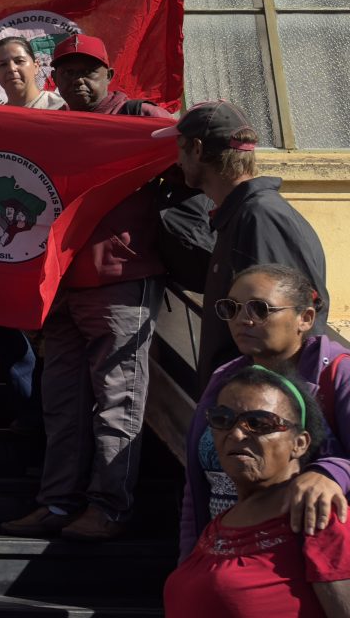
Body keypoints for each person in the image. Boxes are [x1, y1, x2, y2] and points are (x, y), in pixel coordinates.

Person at [0, 37, 175, 543]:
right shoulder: (51, 125)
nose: (79, 80)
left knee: (118, 400)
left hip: (123, 280)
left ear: (109, 73)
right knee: (61, 402)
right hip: (62, 284)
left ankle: (108, 508)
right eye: (69, 71)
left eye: (89, 71)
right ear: (54, 76)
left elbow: (199, 143)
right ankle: (58, 502)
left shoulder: (139, 116)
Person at [182, 266, 350, 560]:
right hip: (218, 557)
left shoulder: (338, 374)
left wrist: (331, 472)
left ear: (305, 318)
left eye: (260, 309)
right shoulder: (225, 378)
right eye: (231, 308)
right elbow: (195, 487)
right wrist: (189, 561)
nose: (243, 319)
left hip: (295, 569)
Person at [163, 101, 331, 389]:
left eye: (180, 148)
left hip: (259, 414)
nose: (177, 160)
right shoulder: (241, 214)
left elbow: (285, 327)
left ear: (198, 150)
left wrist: (258, 412)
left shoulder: (260, 217)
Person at [163, 367, 350, 613]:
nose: (237, 433)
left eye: (259, 423)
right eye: (222, 419)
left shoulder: (318, 517)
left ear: (299, 443)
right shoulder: (218, 526)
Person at [0, 35, 64, 110]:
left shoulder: (64, 107)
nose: (11, 68)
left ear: (36, 66)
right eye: (3, 64)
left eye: (19, 61)